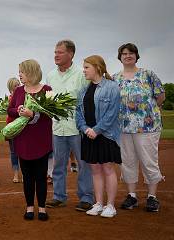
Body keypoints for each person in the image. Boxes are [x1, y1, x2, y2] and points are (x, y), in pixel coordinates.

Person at [113, 43, 165, 212]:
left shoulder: (147, 74)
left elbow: (160, 96)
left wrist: (147, 114)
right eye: (124, 53)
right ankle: (132, 196)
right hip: (123, 128)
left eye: (131, 53)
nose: (128, 56)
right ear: (120, 57)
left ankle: (152, 197)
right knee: (127, 162)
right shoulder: (115, 78)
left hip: (147, 128)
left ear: (136, 55)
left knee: (149, 161)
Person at [45, 39, 94, 211]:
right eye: (55, 52)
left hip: (77, 127)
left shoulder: (81, 74)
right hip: (58, 127)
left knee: (83, 164)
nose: (56, 55)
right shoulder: (50, 75)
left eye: (60, 52)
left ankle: (86, 197)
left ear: (70, 54)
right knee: (59, 164)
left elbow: (89, 99)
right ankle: (59, 196)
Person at [76, 55, 121, 218]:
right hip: (88, 134)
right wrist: (85, 128)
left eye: (87, 67)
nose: (84, 70)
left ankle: (110, 206)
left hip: (106, 135)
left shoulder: (112, 87)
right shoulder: (83, 90)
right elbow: (78, 113)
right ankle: (99, 203)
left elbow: (112, 114)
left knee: (108, 169)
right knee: (95, 170)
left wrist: (97, 130)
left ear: (98, 68)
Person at [8, 59, 52, 221]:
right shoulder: (19, 91)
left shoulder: (46, 90)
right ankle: (29, 207)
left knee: (41, 176)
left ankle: (42, 208)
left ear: (31, 72)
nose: (19, 74)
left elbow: (50, 114)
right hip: (23, 140)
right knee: (27, 176)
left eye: (22, 71)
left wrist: (33, 115)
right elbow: (10, 110)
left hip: (41, 140)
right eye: (19, 71)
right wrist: (18, 110)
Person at [6, 77, 21, 183]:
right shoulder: (9, 99)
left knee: (24, 151)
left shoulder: (24, 96)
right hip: (12, 127)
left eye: (18, 84)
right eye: (15, 85)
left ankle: (25, 174)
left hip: (22, 127)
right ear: (11, 87)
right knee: (13, 152)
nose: (18, 87)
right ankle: (16, 174)